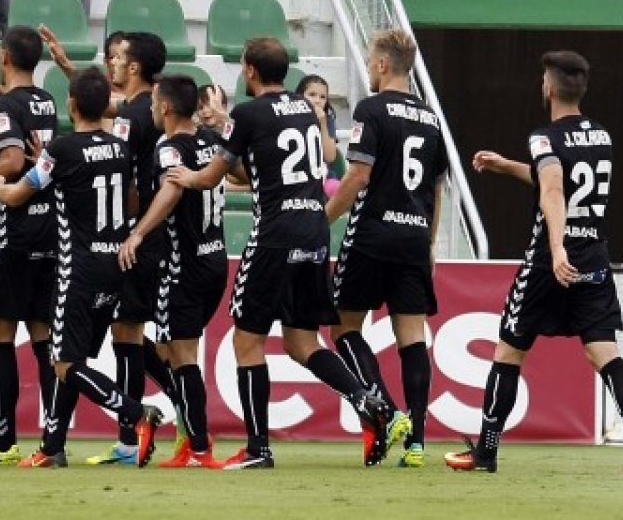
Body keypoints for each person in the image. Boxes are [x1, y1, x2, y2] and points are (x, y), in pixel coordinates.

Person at [168, 37, 390, 469]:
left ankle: (258, 449)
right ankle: (365, 397)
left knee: (246, 339)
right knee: (303, 341)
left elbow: (214, 174)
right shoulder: (305, 110)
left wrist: (188, 176)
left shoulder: (248, 114)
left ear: (249, 70)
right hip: (313, 230)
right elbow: (266, 164)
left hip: (274, 234)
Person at [443, 51, 623, 476]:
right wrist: (508, 167)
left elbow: (555, 189)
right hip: (593, 253)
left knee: (509, 351)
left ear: (549, 88)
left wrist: (557, 248)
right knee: (605, 353)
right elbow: (561, 177)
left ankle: (485, 452)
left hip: (548, 261)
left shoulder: (544, 137)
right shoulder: (602, 137)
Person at [0, 67, 164, 469]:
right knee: (74, 360)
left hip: (77, 268)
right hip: (116, 263)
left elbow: (15, 196)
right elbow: (133, 201)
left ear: (71, 105)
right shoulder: (121, 148)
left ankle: (135, 413)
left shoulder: (60, 151)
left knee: (63, 363)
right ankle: (52, 448)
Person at [324, 30, 445, 469]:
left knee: (343, 330)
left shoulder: (370, 109)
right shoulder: (431, 117)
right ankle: (416, 443)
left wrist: (322, 221)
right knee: (412, 339)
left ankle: (387, 411)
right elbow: (437, 187)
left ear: (381, 65)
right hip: (414, 238)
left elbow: (357, 176)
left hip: (373, 234)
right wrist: (429, 243)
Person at [119, 74, 228, 469]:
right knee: (173, 351)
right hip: (216, 257)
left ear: (165, 108)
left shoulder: (169, 146)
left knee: (181, 356)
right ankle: (191, 439)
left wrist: (138, 233)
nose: (149, 110)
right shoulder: (213, 141)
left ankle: (198, 447)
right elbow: (241, 174)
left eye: (153, 104)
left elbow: (171, 189)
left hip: (183, 263)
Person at [0, 26, 59, 466]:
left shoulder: (4, 106)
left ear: (4, 55)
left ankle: (4, 442)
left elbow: (12, 157)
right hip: (50, 232)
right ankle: (50, 439)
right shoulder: (47, 100)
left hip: (14, 231)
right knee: (43, 336)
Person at [85, 32, 179, 466]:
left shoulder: (130, 119)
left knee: (126, 335)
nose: (112, 64)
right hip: (151, 236)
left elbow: (128, 180)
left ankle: (130, 437)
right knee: (132, 335)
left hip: (134, 237)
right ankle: (185, 406)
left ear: (135, 67)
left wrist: (127, 230)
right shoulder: (149, 111)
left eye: (118, 58)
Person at [296, 74, 340, 195]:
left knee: (340, 190)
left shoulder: (328, 120)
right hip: (296, 175)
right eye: (312, 95)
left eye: (322, 97)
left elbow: (330, 157)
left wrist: (322, 123)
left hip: (324, 176)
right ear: (300, 96)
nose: (317, 100)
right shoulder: (291, 117)